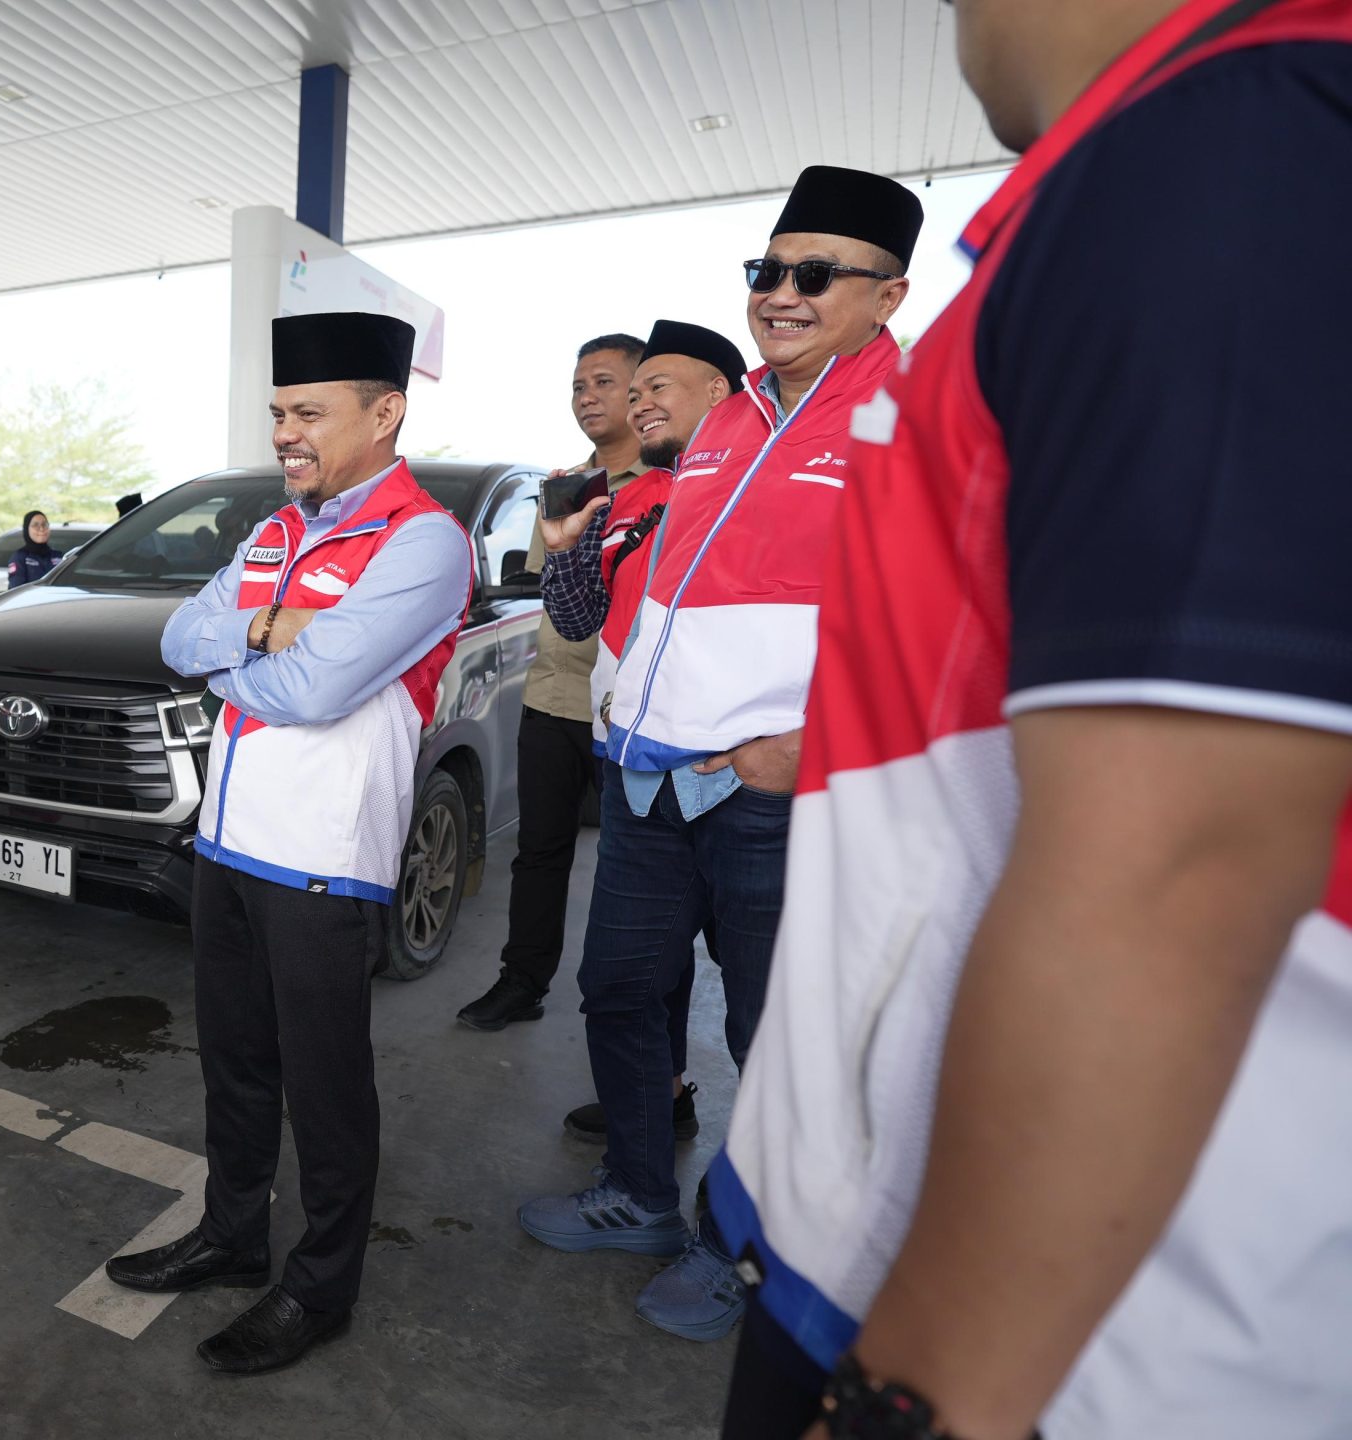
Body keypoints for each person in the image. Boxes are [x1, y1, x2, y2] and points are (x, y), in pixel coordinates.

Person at [715, 5, 1352, 1437]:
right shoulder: (1160, 170)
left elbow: (1178, 867)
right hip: (950, 1264)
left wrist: (920, 1401)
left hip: (1066, 1347)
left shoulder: (1230, 150)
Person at [515, 165, 921, 1346]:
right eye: (766, 270)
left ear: (887, 295)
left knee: (774, 1042)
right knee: (619, 993)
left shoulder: (913, 423)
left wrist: (813, 746)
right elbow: (642, 600)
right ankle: (640, 1196)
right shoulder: (729, 419)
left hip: (772, 799)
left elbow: (955, 634)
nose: (780, 293)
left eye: (815, 274)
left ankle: (745, 1246)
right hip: (646, 779)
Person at [113, 311, 472, 1376]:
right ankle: (232, 1236)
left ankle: (320, 1288)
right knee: (234, 1065)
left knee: (325, 1088)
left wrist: (246, 656)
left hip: (321, 858)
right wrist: (272, 631)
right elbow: (180, 638)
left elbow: (314, 693)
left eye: (308, 412)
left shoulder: (421, 542)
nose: (285, 433)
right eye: (278, 412)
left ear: (385, 411)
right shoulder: (275, 531)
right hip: (227, 846)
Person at [542, 318, 751, 1145]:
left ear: (719, 393)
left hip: (734, 776)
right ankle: (657, 1111)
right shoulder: (626, 499)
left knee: (758, 988)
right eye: (633, 394)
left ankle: (762, 1192)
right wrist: (565, 548)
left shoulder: (758, 488)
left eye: (653, 388)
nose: (637, 406)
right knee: (633, 973)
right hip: (631, 764)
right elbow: (578, 617)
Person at [455, 333, 647, 1032]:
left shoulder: (672, 486)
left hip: (628, 711)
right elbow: (548, 589)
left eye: (603, 382)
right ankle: (522, 983)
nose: (586, 397)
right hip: (552, 700)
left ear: (640, 392)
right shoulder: (564, 486)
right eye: (577, 386)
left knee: (634, 869)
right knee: (539, 855)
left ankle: (630, 1014)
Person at [4, 510, 60, 588]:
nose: (41, 528)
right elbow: (16, 589)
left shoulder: (58, 556)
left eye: (44, 524)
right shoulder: (20, 557)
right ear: (27, 529)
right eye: (35, 525)